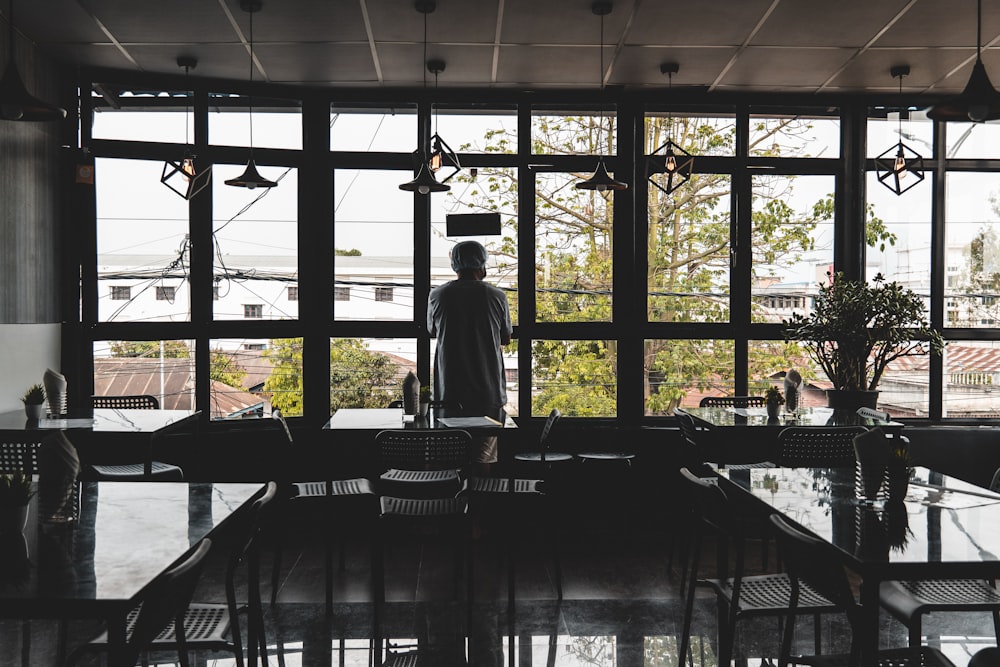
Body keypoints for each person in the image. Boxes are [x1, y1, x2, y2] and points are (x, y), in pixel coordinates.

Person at [427, 240, 512, 472]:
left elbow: (432, 331)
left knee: (447, 458)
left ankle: (449, 505)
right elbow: (505, 338)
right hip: (487, 393)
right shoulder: (496, 296)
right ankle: (479, 506)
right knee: (482, 460)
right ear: (481, 265)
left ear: (455, 265)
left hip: (449, 393)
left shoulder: (438, 295)